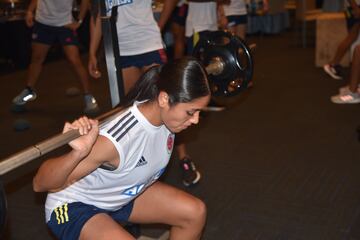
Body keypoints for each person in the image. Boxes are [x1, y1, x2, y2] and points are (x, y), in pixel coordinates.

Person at [33, 57, 210, 240]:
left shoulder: (168, 120)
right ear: (164, 98)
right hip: (73, 207)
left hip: (118, 195)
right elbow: (40, 183)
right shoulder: (117, 140)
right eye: (190, 112)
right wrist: (77, 154)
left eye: (199, 112)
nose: (195, 120)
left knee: (194, 213)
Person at [12, 0, 99, 114]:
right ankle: (29, 90)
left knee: (74, 60)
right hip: (42, 23)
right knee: (37, 58)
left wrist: (79, 21)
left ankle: (88, 96)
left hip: (64, 24)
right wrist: (29, 11)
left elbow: (85, 1)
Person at [169, 0, 201, 186]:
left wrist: (158, 24)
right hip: (123, 48)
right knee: (134, 107)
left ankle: (183, 157)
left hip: (149, 45)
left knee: (177, 102)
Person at [186, 0, 226, 111]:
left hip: (212, 26)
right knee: (197, 66)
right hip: (197, 26)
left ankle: (208, 99)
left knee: (212, 65)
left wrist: (221, 14)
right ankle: (195, 101)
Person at [323, 0, 360, 80]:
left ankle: (334, 64)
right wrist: (356, 9)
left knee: (353, 37)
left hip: (353, 8)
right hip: (354, 8)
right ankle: (333, 64)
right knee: (352, 37)